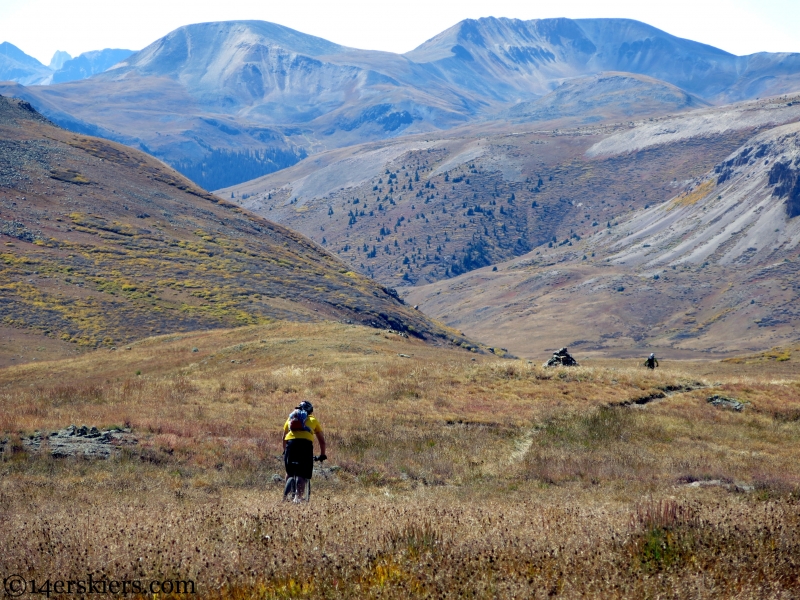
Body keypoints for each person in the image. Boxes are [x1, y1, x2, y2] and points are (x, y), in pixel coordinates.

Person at [282, 400, 326, 503]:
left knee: (289, 472)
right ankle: (298, 497)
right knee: (302, 473)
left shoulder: (291, 417)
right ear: (310, 411)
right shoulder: (312, 419)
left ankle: (286, 495)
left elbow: (284, 437)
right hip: (305, 446)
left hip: (291, 445)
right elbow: (322, 441)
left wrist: (285, 451)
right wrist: (322, 454)